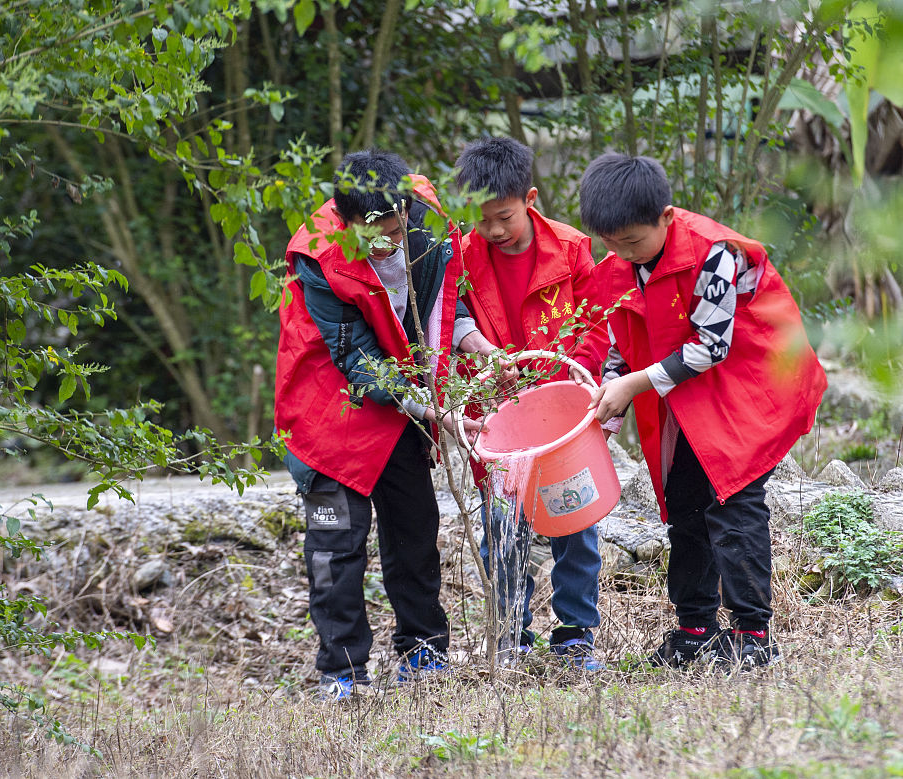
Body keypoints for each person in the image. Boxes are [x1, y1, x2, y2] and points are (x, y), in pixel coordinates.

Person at [578, 152, 827, 669]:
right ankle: (694, 627)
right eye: (612, 243)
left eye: (632, 241)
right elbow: (625, 341)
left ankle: (753, 637)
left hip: (749, 387)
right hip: (689, 397)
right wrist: (610, 405)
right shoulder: (620, 266)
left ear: (666, 218)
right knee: (684, 503)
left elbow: (712, 345)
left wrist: (633, 385)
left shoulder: (714, 255)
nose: (623, 253)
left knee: (732, 505)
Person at [275, 149, 497, 699]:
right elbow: (356, 360)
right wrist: (431, 409)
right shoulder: (319, 256)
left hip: (405, 404)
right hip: (333, 403)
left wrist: (476, 346)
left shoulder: (423, 217)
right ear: (348, 222)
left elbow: (443, 301)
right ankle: (342, 672)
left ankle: (424, 651)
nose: (391, 244)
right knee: (336, 545)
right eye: (377, 237)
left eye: (397, 231)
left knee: (414, 530)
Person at [454, 136, 611, 670]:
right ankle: (512, 636)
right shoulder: (461, 256)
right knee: (503, 525)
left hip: (562, 412)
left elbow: (596, 325)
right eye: (483, 220)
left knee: (575, 522)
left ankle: (575, 636)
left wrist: (580, 391)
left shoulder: (570, 249)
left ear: (531, 199)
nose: (494, 230)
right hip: (498, 414)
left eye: (505, 217)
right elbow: (448, 323)